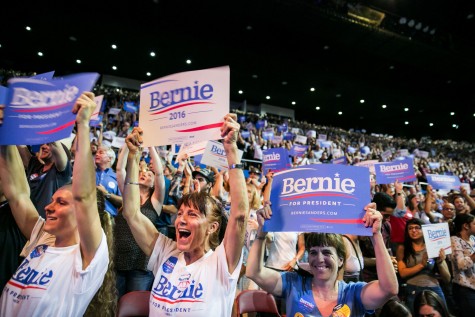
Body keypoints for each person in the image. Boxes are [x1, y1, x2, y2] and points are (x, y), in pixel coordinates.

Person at [121, 113, 248, 316]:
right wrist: (133, 157)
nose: (181, 219)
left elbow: (240, 215)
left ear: (212, 227)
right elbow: (131, 213)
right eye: (180, 213)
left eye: (192, 214)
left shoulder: (221, 262)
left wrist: (231, 149)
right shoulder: (166, 252)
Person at [0, 92, 109, 316]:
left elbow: (85, 197)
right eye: (51, 201)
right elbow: (18, 194)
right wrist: (6, 134)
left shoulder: (87, 256)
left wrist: (83, 126)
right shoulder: (43, 237)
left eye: (61, 202)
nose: (49, 207)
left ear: (83, 215)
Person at [246, 202, 398, 317]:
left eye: (326, 252)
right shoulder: (294, 284)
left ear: (340, 260)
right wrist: (262, 232)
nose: (319, 259)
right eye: (313, 252)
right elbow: (254, 272)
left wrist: (376, 235)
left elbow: (389, 289)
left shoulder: (353, 293)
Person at [114, 143, 165, 298]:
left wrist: (151, 146)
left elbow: (160, 174)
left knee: (134, 307)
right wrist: (127, 145)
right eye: (142, 173)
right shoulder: (127, 197)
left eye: (149, 175)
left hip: (141, 265)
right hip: (119, 260)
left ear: (152, 185)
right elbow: (119, 170)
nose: (145, 174)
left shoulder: (155, 202)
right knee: (113, 307)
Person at [396, 218, 451, 315]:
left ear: (424, 230)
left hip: (434, 288)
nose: (413, 230)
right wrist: (421, 265)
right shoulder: (402, 248)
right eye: (410, 228)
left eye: (417, 228)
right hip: (413, 288)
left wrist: (440, 261)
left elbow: (447, 278)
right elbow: (403, 273)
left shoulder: (433, 246)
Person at [18, 141, 72, 218]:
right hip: (23, 220)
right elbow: (19, 145)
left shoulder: (62, 172)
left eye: (48, 144)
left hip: (43, 224)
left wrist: (48, 130)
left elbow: (56, 144)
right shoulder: (35, 166)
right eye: (43, 143)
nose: (43, 146)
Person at [450, 213, 475, 317]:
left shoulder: (473, 238)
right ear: (466, 226)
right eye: (474, 224)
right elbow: (461, 265)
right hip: (465, 289)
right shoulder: (455, 240)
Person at [95, 145, 122, 216]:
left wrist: (106, 193)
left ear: (109, 158)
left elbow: (123, 202)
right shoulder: (89, 173)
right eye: (96, 153)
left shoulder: (118, 177)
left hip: (108, 217)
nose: (97, 154)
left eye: (101, 152)